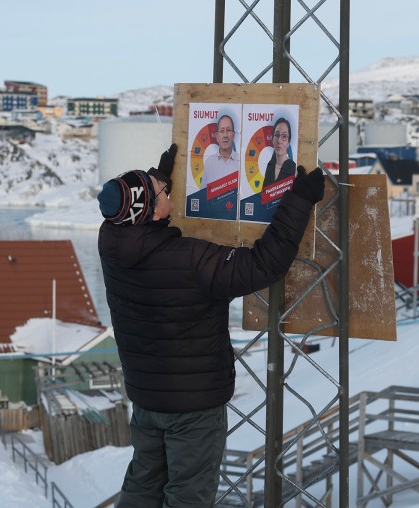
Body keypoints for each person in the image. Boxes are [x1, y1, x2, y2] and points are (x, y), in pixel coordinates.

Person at [97, 143, 325, 507]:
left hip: (147, 398)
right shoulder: (192, 260)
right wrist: (299, 200)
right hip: (193, 408)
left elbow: (133, 208)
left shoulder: (110, 242)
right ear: (152, 212)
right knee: (188, 498)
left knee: (142, 487)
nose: (167, 191)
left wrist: (156, 177)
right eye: (162, 193)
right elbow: (264, 264)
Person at [202, 114, 240, 189]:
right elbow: (203, 195)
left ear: (233, 135)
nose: (225, 135)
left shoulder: (241, 162)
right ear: (217, 136)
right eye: (222, 131)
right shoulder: (209, 162)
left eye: (228, 130)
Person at [262, 117, 296, 188]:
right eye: (276, 135)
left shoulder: (293, 167)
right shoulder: (270, 166)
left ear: (288, 142)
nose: (279, 141)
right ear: (272, 139)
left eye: (284, 136)